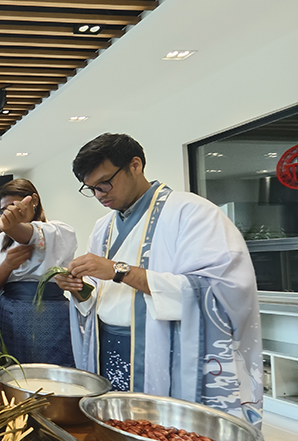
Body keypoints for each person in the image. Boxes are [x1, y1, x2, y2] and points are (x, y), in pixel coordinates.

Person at [54, 133, 263, 425]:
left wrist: (119, 270)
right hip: (107, 348)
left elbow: (220, 291)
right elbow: (101, 297)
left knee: (158, 436)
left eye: (104, 183)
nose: (100, 194)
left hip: (162, 350)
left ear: (135, 165)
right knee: (110, 433)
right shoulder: (103, 227)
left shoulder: (191, 212)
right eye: (91, 189)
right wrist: (79, 291)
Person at [0, 179, 77, 366]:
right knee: (11, 369)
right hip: (9, 311)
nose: (10, 213)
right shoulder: (2, 240)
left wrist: (9, 226)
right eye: (5, 210)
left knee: (51, 369)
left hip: (50, 313)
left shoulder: (57, 231)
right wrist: (7, 265)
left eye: (14, 205)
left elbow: (29, 234)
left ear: (34, 200)